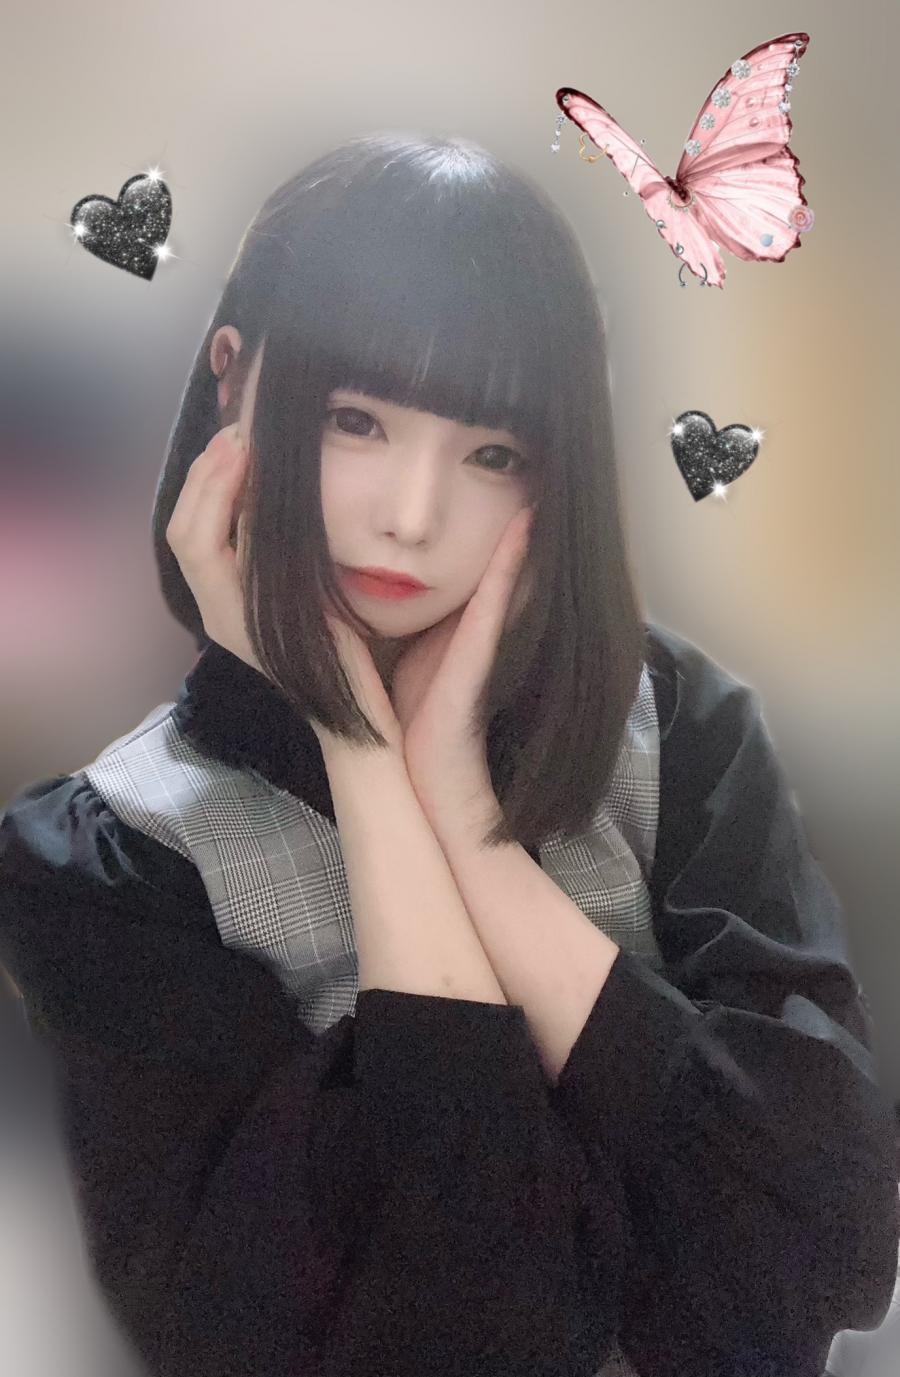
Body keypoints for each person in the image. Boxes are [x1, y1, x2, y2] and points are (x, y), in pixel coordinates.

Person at [1, 130, 898, 1377]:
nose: (411, 518)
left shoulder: (681, 725)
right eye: (356, 421)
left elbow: (838, 1247)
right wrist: (366, 761)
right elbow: (459, 1335)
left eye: (491, 453)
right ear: (232, 382)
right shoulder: (108, 858)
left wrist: (475, 837)